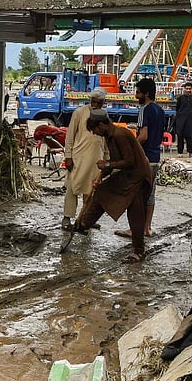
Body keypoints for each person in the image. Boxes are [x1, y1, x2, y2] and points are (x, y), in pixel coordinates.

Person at [76, 109, 153, 263]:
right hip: (128, 175)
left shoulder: (120, 135)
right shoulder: (109, 136)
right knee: (103, 190)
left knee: (135, 212)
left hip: (139, 176)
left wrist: (106, 164)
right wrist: (102, 174)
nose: (95, 133)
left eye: (95, 130)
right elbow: (115, 160)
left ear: (102, 125)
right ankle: (85, 223)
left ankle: (139, 251)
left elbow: (128, 161)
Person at [116, 78, 164, 238]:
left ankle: (134, 229)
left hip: (144, 158)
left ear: (146, 94)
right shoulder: (160, 110)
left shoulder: (145, 109)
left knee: (136, 194)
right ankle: (147, 228)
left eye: (138, 92)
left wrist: (131, 149)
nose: (136, 95)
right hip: (156, 157)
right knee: (150, 194)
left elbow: (143, 136)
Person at [61, 87, 107, 231]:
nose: (96, 105)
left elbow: (106, 139)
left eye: (99, 103)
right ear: (90, 101)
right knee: (72, 187)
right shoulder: (79, 113)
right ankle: (67, 218)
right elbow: (70, 137)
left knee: (91, 191)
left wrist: (106, 158)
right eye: (94, 102)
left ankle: (86, 220)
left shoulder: (104, 116)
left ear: (103, 103)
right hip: (78, 158)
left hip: (95, 160)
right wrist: (68, 156)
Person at [174, 81, 192, 156]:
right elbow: (177, 108)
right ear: (184, 89)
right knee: (180, 135)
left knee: (190, 135)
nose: (188, 90)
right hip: (181, 119)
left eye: (189, 89)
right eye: (187, 89)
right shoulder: (180, 98)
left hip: (189, 119)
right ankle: (180, 152)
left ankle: (190, 152)